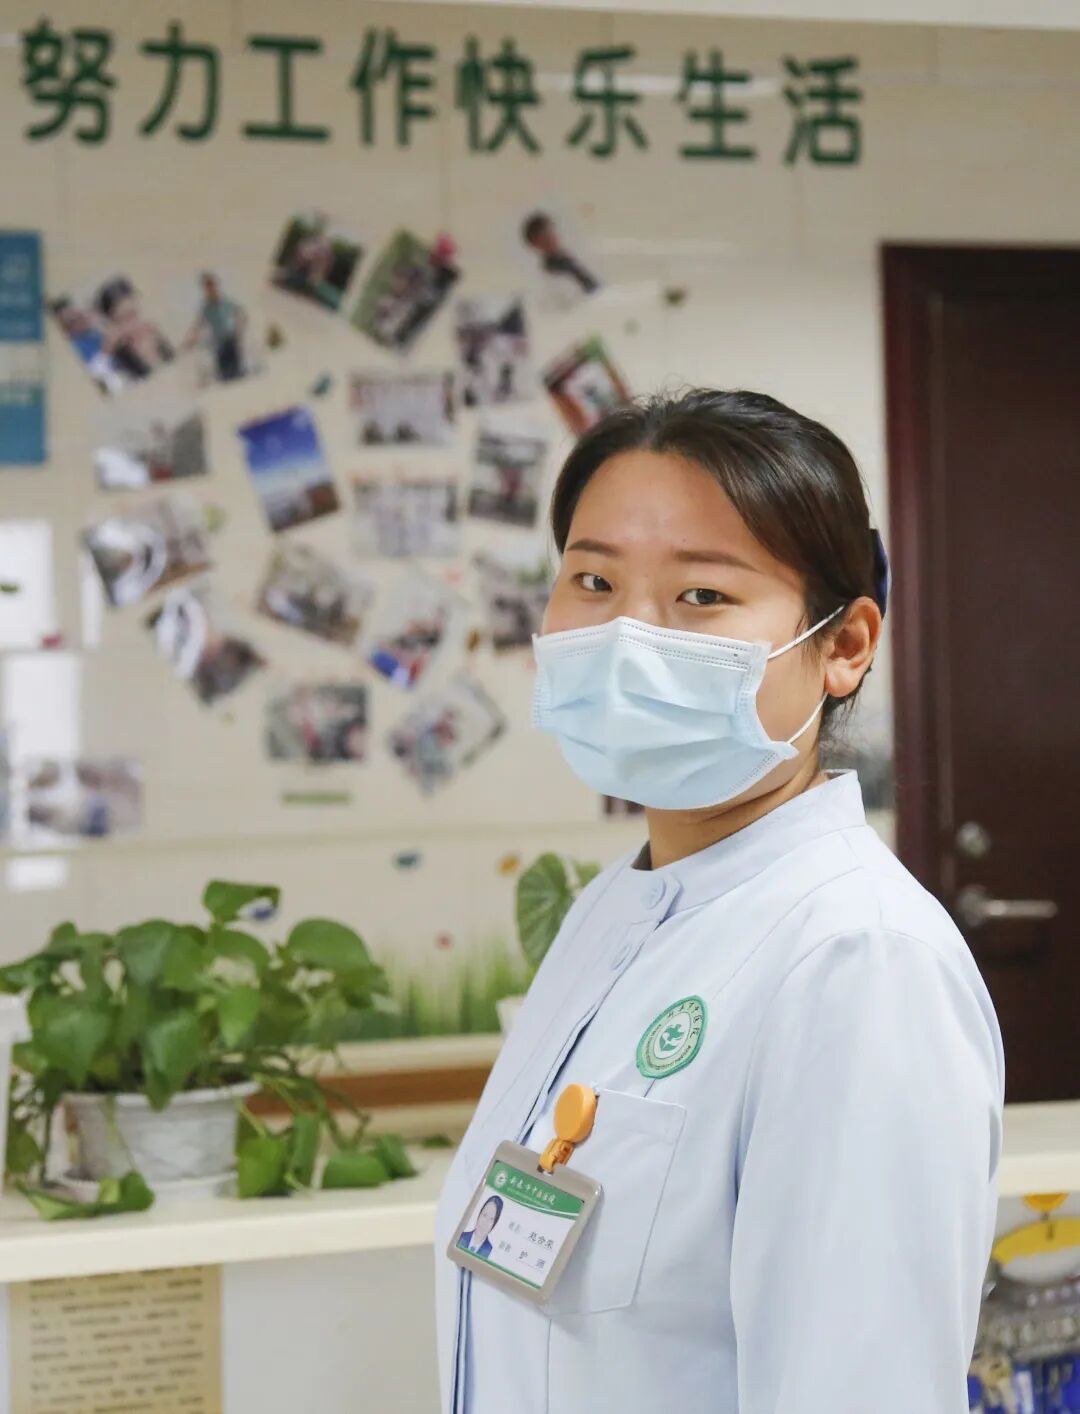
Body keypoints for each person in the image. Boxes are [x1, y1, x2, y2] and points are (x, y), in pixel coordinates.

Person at [435, 389, 1004, 1413]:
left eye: (702, 595)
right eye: (594, 580)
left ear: (845, 645)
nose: (627, 635)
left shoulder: (859, 963)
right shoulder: (614, 912)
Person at [181, 273, 248, 382]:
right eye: (207, 288)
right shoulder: (206, 309)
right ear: (205, 290)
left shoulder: (226, 302)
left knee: (238, 376)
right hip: (218, 345)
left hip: (231, 341)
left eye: (212, 287)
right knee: (226, 379)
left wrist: (239, 329)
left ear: (216, 286)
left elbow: (241, 314)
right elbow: (198, 325)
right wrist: (190, 340)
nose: (211, 290)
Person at [521, 211, 600, 298]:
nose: (552, 237)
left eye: (551, 231)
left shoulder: (570, 255)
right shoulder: (549, 272)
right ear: (535, 244)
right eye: (545, 235)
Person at [457, 1195, 503, 1260]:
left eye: (491, 1219)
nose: (485, 1223)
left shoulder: (490, 1251)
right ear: (479, 1214)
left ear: (494, 1223)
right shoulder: (461, 1236)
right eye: (484, 1215)